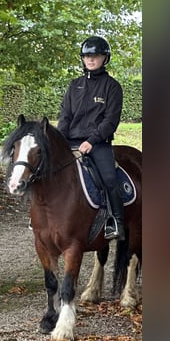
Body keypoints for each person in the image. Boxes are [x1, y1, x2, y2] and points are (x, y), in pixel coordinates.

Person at [57, 36, 125, 240]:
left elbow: (110, 121)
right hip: (70, 141)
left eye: (95, 56)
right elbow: (65, 115)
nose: (90, 60)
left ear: (105, 58)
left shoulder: (112, 87)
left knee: (110, 178)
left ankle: (116, 221)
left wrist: (91, 141)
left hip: (97, 144)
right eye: (87, 56)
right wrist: (60, 140)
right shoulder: (74, 85)